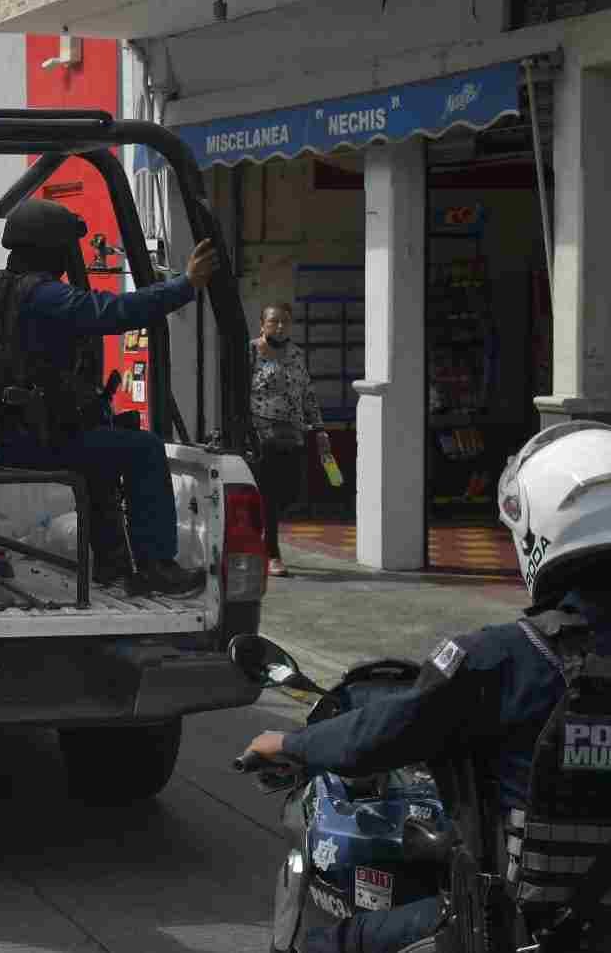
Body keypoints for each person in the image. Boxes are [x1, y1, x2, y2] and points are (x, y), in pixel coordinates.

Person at [240, 421, 611, 953]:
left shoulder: (505, 657)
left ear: (538, 532)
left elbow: (385, 730)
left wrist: (291, 744)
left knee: (333, 945)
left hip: (514, 932)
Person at [0, 198, 220, 596]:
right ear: (49, 248)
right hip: (34, 441)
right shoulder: (43, 296)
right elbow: (112, 311)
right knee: (142, 448)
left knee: (101, 448)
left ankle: (112, 563)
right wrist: (185, 286)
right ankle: (156, 564)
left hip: (3, 433)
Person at [250, 301, 326, 577]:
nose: (280, 326)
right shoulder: (251, 351)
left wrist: (319, 428)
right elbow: (237, 393)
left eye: (284, 321)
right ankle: (272, 554)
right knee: (270, 495)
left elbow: (307, 393)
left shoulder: (296, 354)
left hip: (293, 432)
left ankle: (261, 532)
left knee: (292, 490)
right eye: (273, 321)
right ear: (263, 324)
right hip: (262, 432)